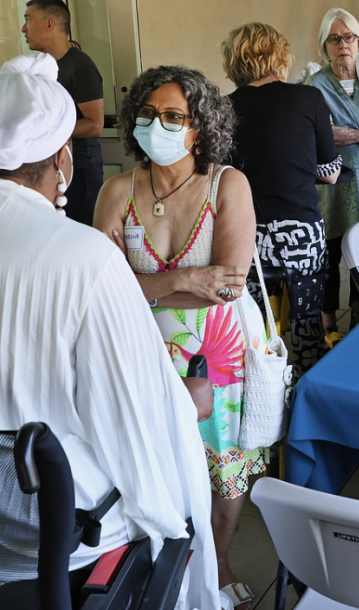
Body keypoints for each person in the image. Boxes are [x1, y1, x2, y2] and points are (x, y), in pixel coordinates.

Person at [0, 53, 220, 610]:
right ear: (62, 157)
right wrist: (184, 403)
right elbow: (137, 427)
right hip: (27, 540)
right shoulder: (82, 258)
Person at [93, 64, 266, 610]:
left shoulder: (227, 184)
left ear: (199, 127)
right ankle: (167, 562)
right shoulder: (117, 189)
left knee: (223, 465)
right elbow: (101, 285)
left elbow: (230, 283)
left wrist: (140, 286)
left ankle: (219, 561)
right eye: (147, 114)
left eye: (173, 116)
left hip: (220, 356)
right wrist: (186, 278)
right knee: (154, 461)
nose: (158, 125)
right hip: (140, 351)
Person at [222, 22, 341, 378]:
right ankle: (307, 380)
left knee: (253, 322)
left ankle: (260, 381)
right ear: (280, 56)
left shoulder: (224, 107)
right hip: (301, 236)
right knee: (307, 320)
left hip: (248, 239)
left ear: (234, 61)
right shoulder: (308, 98)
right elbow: (331, 170)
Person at [305, 8, 359, 340]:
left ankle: (358, 315)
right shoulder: (314, 87)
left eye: (349, 37)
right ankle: (328, 326)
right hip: (332, 181)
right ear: (324, 45)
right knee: (331, 252)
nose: (343, 45)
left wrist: (346, 132)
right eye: (334, 39)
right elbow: (320, 134)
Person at [21, 0, 105, 226]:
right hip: (53, 169)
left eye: (28, 20)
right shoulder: (43, 66)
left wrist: (45, 131)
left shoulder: (79, 66)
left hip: (81, 170)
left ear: (49, 24)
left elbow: (95, 124)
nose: (23, 28)